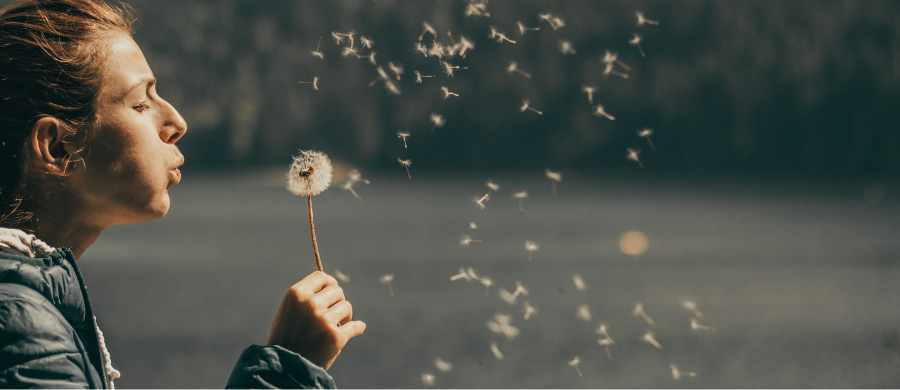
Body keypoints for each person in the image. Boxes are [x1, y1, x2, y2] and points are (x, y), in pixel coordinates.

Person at [0, 0, 365, 388]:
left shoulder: (31, 311)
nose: (177, 122)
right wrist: (287, 368)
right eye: (141, 102)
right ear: (56, 147)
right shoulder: (21, 324)